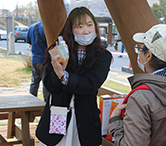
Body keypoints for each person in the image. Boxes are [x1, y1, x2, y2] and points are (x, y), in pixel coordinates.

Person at [108, 24, 166, 146]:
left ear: (148, 55)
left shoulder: (141, 98)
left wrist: (115, 122)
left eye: (140, 49)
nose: (138, 54)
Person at [36, 7, 112, 146]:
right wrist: (60, 68)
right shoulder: (59, 50)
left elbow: (90, 84)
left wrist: (63, 75)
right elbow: (49, 86)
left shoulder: (103, 56)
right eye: (79, 26)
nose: (86, 31)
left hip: (85, 117)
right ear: (70, 29)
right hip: (58, 114)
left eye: (89, 25)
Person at [26, 19, 50, 102]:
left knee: (34, 82)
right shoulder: (46, 28)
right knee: (46, 83)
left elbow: (28, 41)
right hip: (45, 60)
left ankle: (31, 102)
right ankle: (46, 103)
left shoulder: (32, 27)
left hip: (34, 59)